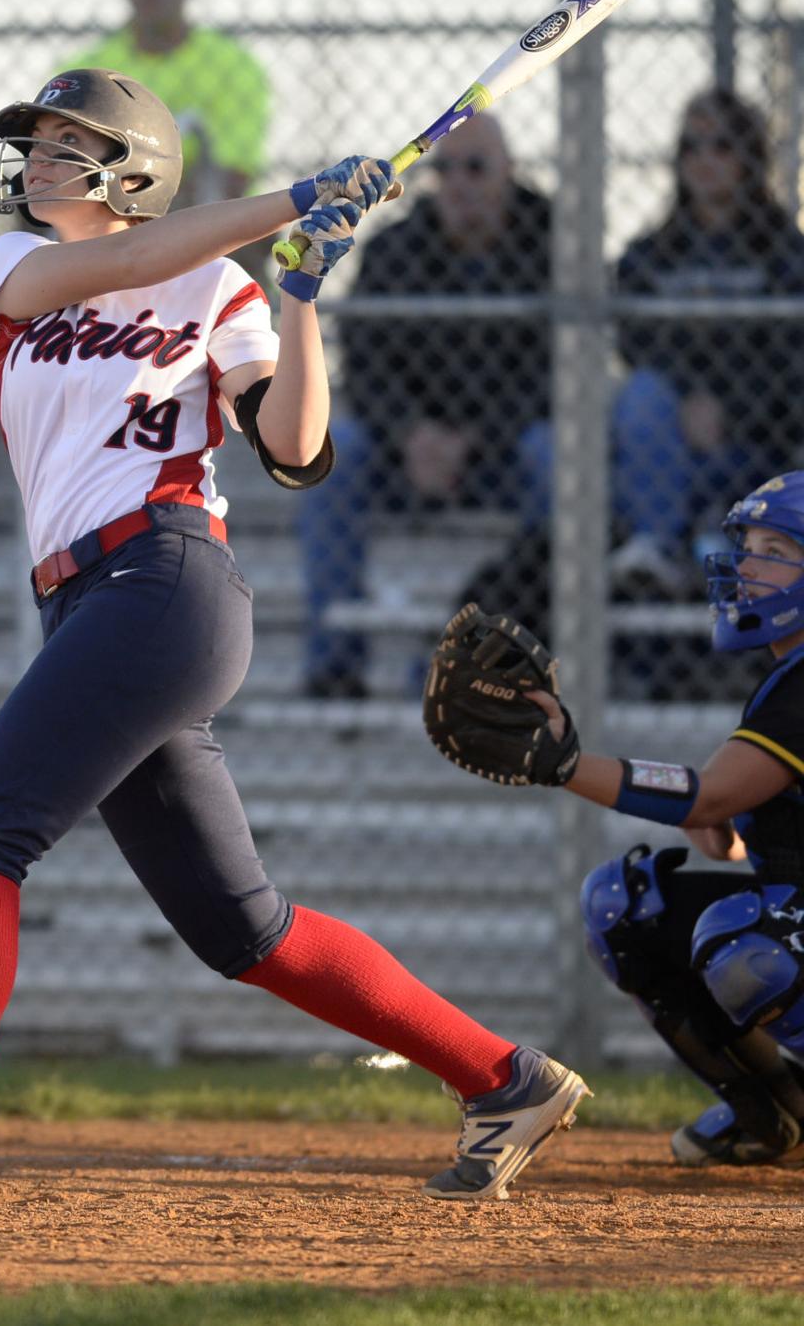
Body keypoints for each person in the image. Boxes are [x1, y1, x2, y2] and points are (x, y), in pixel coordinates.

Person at [0, 67, 587, 1209]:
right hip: (91, 601)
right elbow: (115, 266)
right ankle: (507, 1076)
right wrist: (291, 200)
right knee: (241, 927)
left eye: (70, 145)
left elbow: (298, 451)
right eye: (39, 143)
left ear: (135, 170)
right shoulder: (11, 269)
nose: (38, 160)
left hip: (163, 582)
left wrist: (297, 296)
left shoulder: (218, 287)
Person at [468, 471, 804, 1167]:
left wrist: (563, 765)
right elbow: (726, 824)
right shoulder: (785, 675)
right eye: (749, 544)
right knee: (627, 908)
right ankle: (775, 1110)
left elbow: (708, 797)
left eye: (775, 549)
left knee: (749, 949)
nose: (745, 564)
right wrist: (723, 816)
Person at [298, 114, 551, 698]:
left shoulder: (551, 240)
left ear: (509, 173)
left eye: (476, 167)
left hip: (502, 453)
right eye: (446, 169)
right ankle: (336, 663)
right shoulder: (395, 250)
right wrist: (413, 435)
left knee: (553, 453)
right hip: (405, 454)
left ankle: (529, 647)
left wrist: (474, 440)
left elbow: (559, 376)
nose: (459, 183)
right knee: (337, 454)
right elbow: (366, 365)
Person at [608, 87, 804, 589]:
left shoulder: (784, 251)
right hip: (672, 440)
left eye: (721, 145)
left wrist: (730, 408)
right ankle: (659, 548)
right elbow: (638, 342)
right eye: (691, 147)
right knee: (643, 395)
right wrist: (692, 397)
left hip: (758, 438)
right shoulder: (651, 255)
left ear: (748, 157)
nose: (704, 160)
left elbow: (787, 360)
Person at [62, 0, 272, 284]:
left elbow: (229, 180)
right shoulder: (86, 69)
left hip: (207, 230)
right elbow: (64, 175)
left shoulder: (234, 66)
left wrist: (127, 187)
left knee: (248, 232)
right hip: (107, 234)